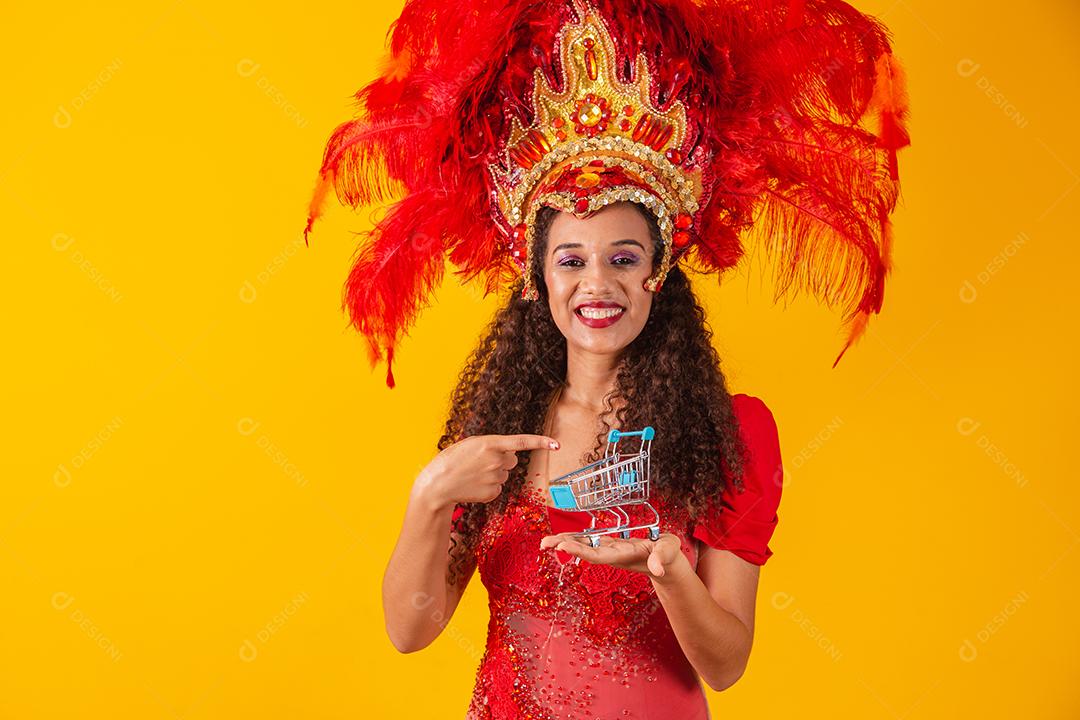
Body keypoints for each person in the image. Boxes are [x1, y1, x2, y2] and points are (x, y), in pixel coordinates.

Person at [302, 1, 909, 716]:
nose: (597, 284)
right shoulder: (496, 428)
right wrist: (430, 495)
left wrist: (667, 568)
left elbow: (727, 665)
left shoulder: (730, 432)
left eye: (624, 258)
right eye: (571, 260)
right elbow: (411, 630)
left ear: (658, 271)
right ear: (539, 279)